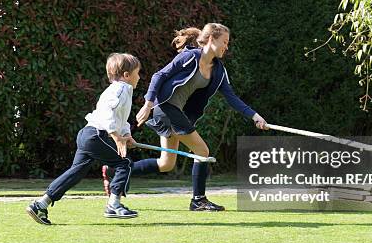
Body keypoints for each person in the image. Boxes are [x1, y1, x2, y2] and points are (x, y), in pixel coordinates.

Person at [128, 23, 268, 211]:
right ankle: (199, 200)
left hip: (177, 113)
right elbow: (158, 76)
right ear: (211, 39)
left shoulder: (219, 70)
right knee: (202, 152)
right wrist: (148, 104)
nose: (227, 46)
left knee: (166, 164)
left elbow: (232, 98)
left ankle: (118, 171)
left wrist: (255, 116)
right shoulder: (189, 57)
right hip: (166, 108)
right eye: (224, 42)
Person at [26, 53, 141, 225]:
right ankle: (114, 205)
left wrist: (126, 135)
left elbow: (120, 118)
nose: (139, 77)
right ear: (126, 75)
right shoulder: (122, 89)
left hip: (87, 134)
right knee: (124, 164)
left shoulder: (119, 89)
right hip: (96, 135)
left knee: (76, 172)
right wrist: (116, 136)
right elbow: (108, 112)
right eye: (137, 73)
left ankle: (40, 204)